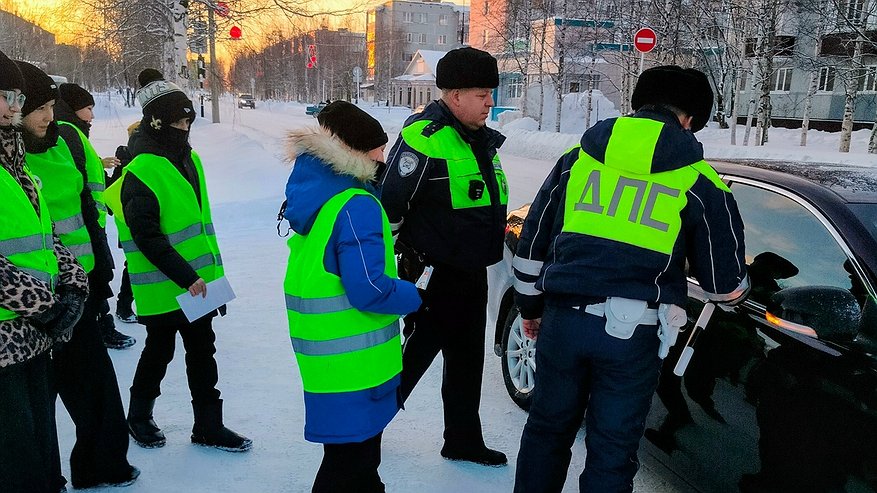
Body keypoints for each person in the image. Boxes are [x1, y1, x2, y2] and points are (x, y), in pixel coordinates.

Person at [511, 65, 750, 493]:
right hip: (631, 335)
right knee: (611, 450)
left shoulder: (578, 159)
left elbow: (532, 246)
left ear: (636, 105)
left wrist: (530, 308)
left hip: (563, 322)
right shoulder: (700, 180)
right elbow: (722, 286)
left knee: (547, 432)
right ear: (690, 119)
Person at [103, 68, 251, 452]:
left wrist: (205, 279)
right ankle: (138, 416)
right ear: (157, 122)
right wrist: (186, 276)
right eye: (179, 121)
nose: (186, 127)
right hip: (165, 286)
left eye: (189, 120)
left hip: (199, 283)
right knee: (160, 351)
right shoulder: (141, 171)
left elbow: (197, 223)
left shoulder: (189, 158)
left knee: (204, 352)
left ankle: (208, 425)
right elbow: (147, 236)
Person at [378, 47, 509, 466]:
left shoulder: (479, 139)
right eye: (482, 93)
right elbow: (390, 209)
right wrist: (397, 268)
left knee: (467, 363)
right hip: (433, 277)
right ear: (454, 96)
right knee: (408, 361)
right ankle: (363, 433)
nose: (491, 102)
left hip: (472, 274)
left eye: (491, 93)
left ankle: (463, 440)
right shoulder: (425, 139)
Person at [283, 100, 421, 492]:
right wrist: (415, 297)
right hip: (357, 366)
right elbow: (370, 289)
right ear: (354, 151)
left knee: (353, 463)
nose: (384, 155)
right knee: (350, 466)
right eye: (378, 147)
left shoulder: (318, 195)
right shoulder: (356, 203)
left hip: (327, 363)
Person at [16, 60, 139, 490]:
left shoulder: (67, 138)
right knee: (31, 408)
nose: (48, 116)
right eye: (38, 107)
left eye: (51, 105)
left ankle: (102, 465)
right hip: (21, 313)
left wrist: (98, 268)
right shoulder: (8, 155)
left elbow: (91, 200)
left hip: (76, 290)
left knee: (95, 384)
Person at [0, 49, 88, 493]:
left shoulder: (17, 169)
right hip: (4, 346)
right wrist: (47, 307)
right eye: (2, 96)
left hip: (32, 339)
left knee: (42, 450)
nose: (13, 106)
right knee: (16, 461)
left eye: (14, 94)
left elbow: (51, 239)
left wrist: (73, 286)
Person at [55, 82, 136, 349]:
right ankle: (101, 330)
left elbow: (90, 177)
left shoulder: (75, 133)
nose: (92, 114)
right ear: (72, 109)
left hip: (91, 223)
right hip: (82, 227)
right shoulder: (68, 133)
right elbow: (76, 182)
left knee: (96, 278)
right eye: (87, 108)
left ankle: (102, 328)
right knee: (92, 279)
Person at [107, 121, 141, 324]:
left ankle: (125, 305)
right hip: (129, 221)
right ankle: (124, 305)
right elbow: (113, 190)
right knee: (135, 264)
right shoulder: (127, 157)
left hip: (146, 218)